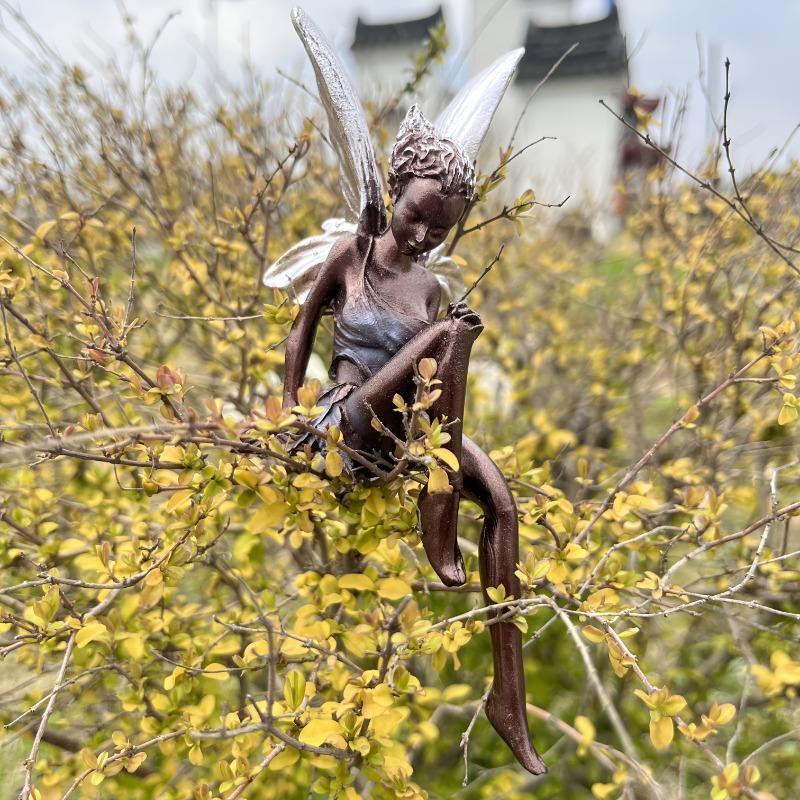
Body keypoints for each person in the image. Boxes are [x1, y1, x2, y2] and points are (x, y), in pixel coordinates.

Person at [280, 105, 547, 775]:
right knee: (451, 334)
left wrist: (449, 334)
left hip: (409, 433)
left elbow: (429, 383)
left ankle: (507, 701)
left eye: (439, 228)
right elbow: (302, 327)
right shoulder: (354, 253)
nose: (424, 234)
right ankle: (439, 501)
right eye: (416, 215)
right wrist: (289, 411)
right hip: (347, 423)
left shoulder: (429, 287)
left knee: (507, 507)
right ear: (392, 192)